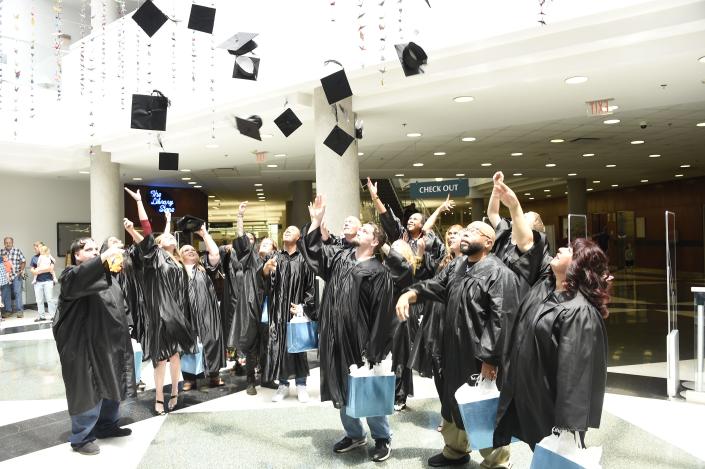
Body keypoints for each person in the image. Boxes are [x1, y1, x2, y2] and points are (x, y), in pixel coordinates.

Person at [396, 222, 520, 469]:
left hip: (478, 355)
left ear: (488, 242)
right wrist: (410, 294)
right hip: (453, 350)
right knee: (451, 401)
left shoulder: (499, 273)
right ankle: (455, 449)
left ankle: (497, 460)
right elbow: (436, 286)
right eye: (464, 232)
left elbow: (501, 320)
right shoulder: (457, 266)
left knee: (481, 407)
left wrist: (490, 359)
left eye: (472, 232)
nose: (464, 236)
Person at [301, 195, 395, 463]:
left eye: (366, 229)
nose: (361, 230)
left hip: (361, 342)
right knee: (343, 386)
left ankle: (382, 437)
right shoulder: (340, 258)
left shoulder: (378, 272)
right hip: (335, 337)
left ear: (375, 241)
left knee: (367, 387)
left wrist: (374, 350)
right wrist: (316, 221)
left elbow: (382, 315)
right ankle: (354, 434)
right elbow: (315, 253)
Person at [493, 238, 610, 451]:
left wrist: (567, 424)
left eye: (570, 250)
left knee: (558, 458)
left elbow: (576, 373)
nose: (561, 249)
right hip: (532, 396)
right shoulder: (543, 288)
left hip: (552, 404)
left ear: (579, 264)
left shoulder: (578, 310)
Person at [53, 238, 134, 455]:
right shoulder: (71, 276)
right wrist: (104, 256)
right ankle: (81, 438)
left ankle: (107, 425)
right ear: (77, 255)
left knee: (112, 383)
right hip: (84, 345)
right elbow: (79, 278)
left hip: (109, 343)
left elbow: (121, 305)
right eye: (89, 250)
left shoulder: (109, 277)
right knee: (87, 389)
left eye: (97, 249)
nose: (96, 252)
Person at [126, 210, 196, 415]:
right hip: (160, 314)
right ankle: (158, 397)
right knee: (161, 358)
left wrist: (167, 222)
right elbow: (145, 239)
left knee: (175, 356)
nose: (170, 236)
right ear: (156, 244)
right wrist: (132, 228)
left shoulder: (175, 260)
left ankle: (174, 391)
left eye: (172, 236)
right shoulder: (154, 257)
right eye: (165, 236)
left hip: (177, 313)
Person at [262, 225, 316, 403]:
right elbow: (264, 283)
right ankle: (283, 385)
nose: (287, 231)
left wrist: (303, 307)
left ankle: (301, 385)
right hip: (278, 310)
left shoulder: (304, 259)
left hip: (296, 309)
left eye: (292, 230)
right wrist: (265, 270)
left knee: (298, 346)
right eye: (285, 230)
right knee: (280, 347)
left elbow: (310, 287)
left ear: (299, 237)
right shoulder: (274, 257)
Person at [227, 202, 276, 394]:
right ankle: (250, 381)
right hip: (250, 305)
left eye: (268, 243)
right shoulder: (248, 258)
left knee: (267, 343)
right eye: (260, 243)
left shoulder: (274, 260)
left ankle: (266, 377)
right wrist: (240, 217)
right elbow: (241, 239)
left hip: (268, 306)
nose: (263, 244)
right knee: (250, 343)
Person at [179, 224, 226, 388]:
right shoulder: (176, 270)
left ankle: (214, 374)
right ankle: (189, 378)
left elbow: (215, 253)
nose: (191, 251)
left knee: (211, 339)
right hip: (185, 312)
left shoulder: (204, 267)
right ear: (179, 256)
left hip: (207, 311)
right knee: (188, 343)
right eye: (185, 250)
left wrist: (205, 234)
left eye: (193, 249)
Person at [29, 242, 57, 322]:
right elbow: (32, 270)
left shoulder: (48, 255)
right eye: (35, 248)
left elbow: (50, 269)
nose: (36, 249)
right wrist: (37, 271)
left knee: (49, 299)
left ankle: (53, 315)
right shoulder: (34, 258)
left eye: (37, 247)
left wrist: (38, 271)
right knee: (39, 300)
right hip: (38, 282)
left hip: (48, 281)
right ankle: (41, 316)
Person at [1, 237, 26, 318]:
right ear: (4, 243)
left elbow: (23, 261)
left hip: (16, 275)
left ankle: (20, 311)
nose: (8, 244)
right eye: (6, 242)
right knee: (6, 293)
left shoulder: (17, 251)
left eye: (9, 242)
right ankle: (8, 311)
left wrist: (21, 271)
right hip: (5, 277)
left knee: (17, 292)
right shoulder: (1, 252)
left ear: (12, 243)